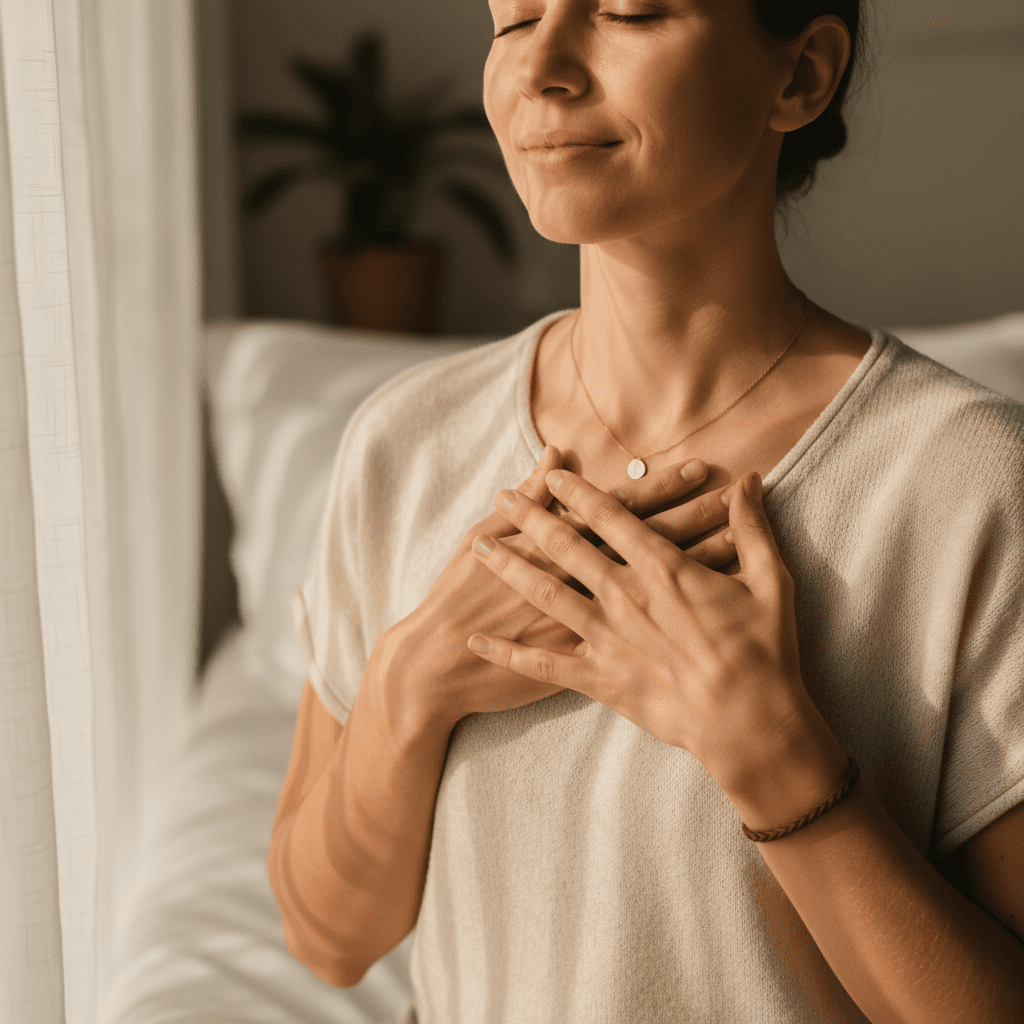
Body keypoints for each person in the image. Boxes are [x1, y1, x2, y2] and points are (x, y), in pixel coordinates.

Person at [270, 0, 1024, 1021]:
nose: (541, 68)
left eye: (626, 11)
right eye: (512, 18)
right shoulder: (405, 444)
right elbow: (326, 939)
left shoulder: (967, 482)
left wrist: (770, 752)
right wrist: (413, 681)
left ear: (800, 75)